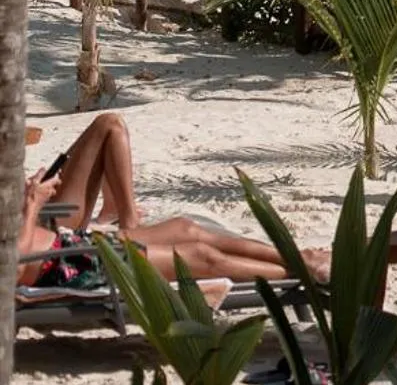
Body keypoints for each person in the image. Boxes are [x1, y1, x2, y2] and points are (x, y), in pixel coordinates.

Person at [19, 114, 329, 287]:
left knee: (187, 229)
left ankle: (300, 258)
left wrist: (26, 198)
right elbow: (11, 264)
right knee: (201, 257)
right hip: (65, 262)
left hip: (69, 244)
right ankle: (304, 276)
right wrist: (33, 203)